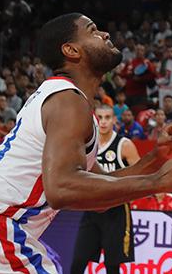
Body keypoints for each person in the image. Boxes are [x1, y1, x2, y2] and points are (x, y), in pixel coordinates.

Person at [0, 13, 172, 274]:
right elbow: (61, 188)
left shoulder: (60, 98)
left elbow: (101, 193)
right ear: (71, 50)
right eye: (93, 30)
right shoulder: (67, 100)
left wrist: (155, 159)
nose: (105, 34)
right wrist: (156, 183)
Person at [70, 104, 141, 274]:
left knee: (112, 266)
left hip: (116, 211)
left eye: (107, 117)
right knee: (78, 261)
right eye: (99, 118)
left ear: (114, 120)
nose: (103, 122)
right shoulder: (86, 145)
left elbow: (141, 173)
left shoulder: (124, 145)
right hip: (91, 209)